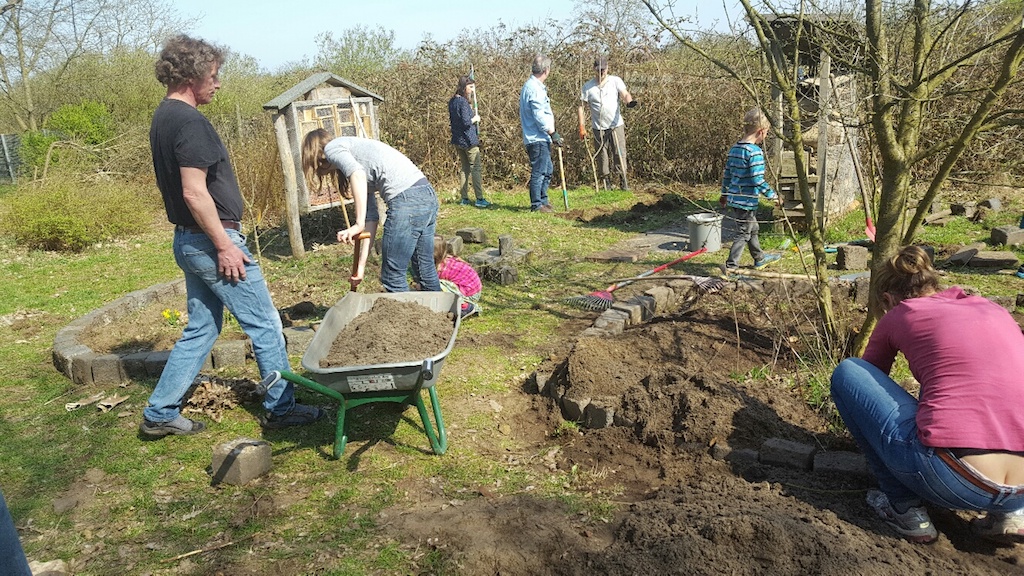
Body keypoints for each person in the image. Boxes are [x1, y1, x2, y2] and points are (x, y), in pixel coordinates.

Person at [142, 35, 322, 436]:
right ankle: (281, 408)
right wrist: (224, 245)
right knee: (265, 324)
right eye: (213, 76)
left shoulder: (163, 116)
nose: (218, 83)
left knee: (203, 327)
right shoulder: (189, 122)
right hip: (212, 242)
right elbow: (194, 192)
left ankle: (159, 413)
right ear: (191, 76)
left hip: (190, 240)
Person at [831, 245, 1024, 544]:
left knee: (848, 372)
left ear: (888, 299)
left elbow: (868, 382)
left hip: (952, 480)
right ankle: (1011, 515)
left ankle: (904, 509)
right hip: (1019, 492)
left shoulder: (900, 313)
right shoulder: (992, 309)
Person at [301, 129, 441, 293]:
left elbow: (357, 174)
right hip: (426, 194)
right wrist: (361, 267)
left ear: (314, 155)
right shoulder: (356, 158)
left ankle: (408, 311)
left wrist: (358, 224)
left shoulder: (332, 148)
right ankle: (441, 309)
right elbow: (371, 219)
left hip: (407, 202)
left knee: (393, 277)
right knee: (424, 270)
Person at [719, 108, 780, 271]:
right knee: (743, 233)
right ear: (761, 131)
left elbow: (727, 175)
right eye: (766, 133)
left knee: (753, 228)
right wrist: (773, 196)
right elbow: (757, 180)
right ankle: (731, 266)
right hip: (745, 201)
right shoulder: (754, 152)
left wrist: (724, 194)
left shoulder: (735, 149)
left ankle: (759, 258)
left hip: (734, 199)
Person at [576, 56, 636, 191]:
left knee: (619, 153)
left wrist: (629, 101)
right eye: (598, 69)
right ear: (594, 69)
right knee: (602, 156)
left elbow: (625, 94)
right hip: (598, 127)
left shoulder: (615, 81)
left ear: (607, 68)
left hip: (616, 125)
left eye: (603, 69)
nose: (601, 72)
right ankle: (606, 183)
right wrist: (582, 127)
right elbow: (581, 107)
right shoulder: (588, 87)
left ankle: (623, 181)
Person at [519, 53, 562, 213]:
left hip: (540, 137)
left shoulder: (534, 86)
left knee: (547, 170)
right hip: (537, 137)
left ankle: (543, 200)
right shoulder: (534, 88)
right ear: (546, 70)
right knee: (539, 171)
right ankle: (536, 204)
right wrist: (553, 133)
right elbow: (539, 115)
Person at [448, 75, 490, 209]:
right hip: (468, 140)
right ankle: (479, 199)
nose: (472, 90)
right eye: (470, 87)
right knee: (475, 168)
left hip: (457, 140)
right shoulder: (463, 102)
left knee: (464, 169)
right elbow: (466, 122)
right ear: (463, 87)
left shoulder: (452, 101)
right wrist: (475, 118)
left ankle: (464, 199)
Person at [432, 235, 482, 319]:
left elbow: (431, 283)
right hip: (474, 289)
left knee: (437, 284)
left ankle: (466, 306)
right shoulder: (446, 259)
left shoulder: (441, 267)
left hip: (470, 294)